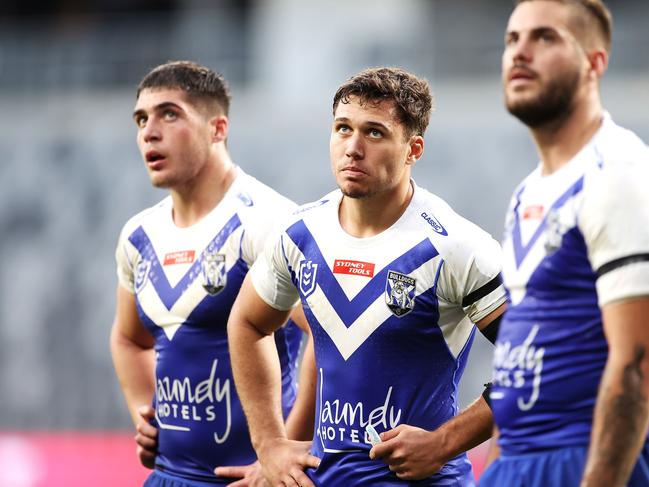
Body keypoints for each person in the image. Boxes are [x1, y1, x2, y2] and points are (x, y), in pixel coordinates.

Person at [227, 67, 507, 486]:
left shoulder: (457, 246)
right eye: (343, 128)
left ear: (414, 149)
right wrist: (270, 445)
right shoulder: (299, 234)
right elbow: (247, 323)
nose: (353, 148)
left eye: (374, 133)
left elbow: (534, 360)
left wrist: (445, 442)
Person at [110, 60, 314, 487]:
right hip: (167, 478)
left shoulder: (269, 221)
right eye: (141, 119)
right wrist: (143, 414)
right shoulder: (138, 236)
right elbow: (128, 338)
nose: (149, 131)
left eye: (169, 114)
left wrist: (280, 452)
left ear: (217, 129)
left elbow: (327, 339)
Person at [481, 1, 649, 486]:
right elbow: (519, 344)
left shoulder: (617, 174)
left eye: (545, 38)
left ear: (595, 62)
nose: (520, 52)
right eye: (512, 39)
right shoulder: (527, 191)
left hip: (578, 460)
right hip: (518, 462)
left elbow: (636, 363)